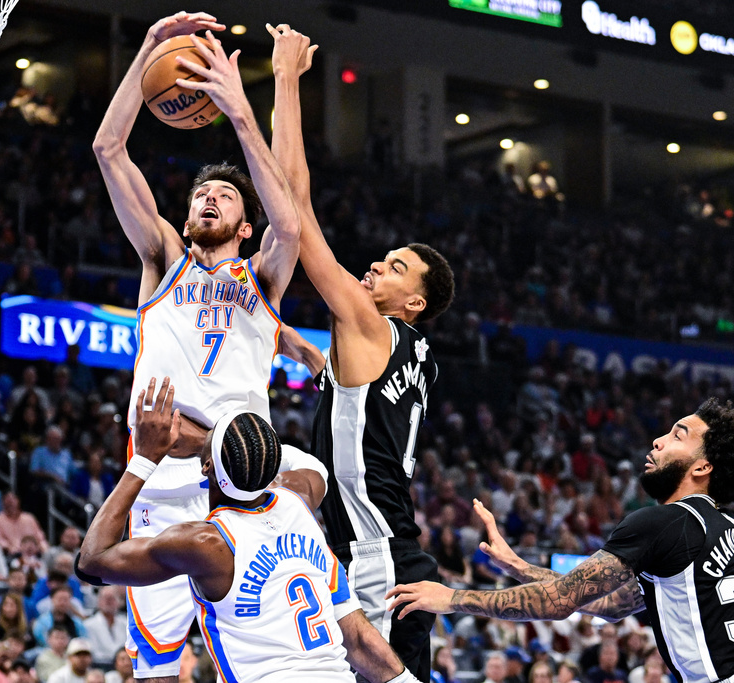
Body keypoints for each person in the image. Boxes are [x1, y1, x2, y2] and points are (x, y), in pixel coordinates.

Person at [92, 11, 303, 680]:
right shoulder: (163, 258)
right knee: (156, 668)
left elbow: (291, 224)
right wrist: (148, 49)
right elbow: (108, 148)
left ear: (244, 227)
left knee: (259, 656)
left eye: (225, 196)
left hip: (240, 484)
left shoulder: (264, 276)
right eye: (201, 194)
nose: (210, 198)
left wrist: (241, 112)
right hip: (161, 478)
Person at [267, 25, 455, 681]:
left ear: (414, 303)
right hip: (385, 551)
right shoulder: (411, 352)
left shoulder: (370, 325)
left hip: (376, 557)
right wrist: (296, 347)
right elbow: (355, 399)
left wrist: (286, 80)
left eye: (396, 267)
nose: (376, 264)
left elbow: (293, 206)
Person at [78, 378, 421, 683]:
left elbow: (91, 562)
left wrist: (145, 458)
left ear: (206, 466)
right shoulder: (299, 501)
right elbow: (358, 640)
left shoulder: (206, 543)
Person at [389, 398, 734, 683]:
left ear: (702, 467)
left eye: (677, 436)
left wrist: (451, 597)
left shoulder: (662, 522)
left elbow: (561, 600)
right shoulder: (721, 528)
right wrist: (518, 566)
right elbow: (608, 604)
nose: (658, 440)